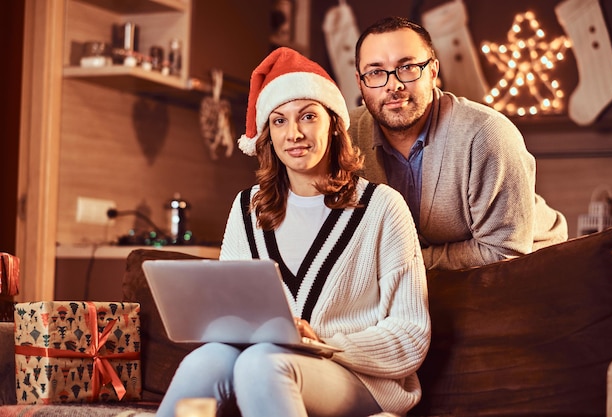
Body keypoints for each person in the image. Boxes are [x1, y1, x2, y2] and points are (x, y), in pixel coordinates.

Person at [155, 47, 431, 417]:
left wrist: (324, 342)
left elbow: (411, 336)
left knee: (265, 362)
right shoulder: (246, 208)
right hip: (265, 361)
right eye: (280, 121)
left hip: (359, 378)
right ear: (267, 133)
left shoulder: (382, 207)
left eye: (308, 116)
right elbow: (228, 314)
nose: (294, 133)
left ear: (333, 124)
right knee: (207, 360)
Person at [349, 16, 568, 271]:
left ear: (432, 72)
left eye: (407, 67)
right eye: (376, 72)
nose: (393, 85)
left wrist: (401, 264)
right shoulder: (345, 133)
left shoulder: (486, 134)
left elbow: (504, 252)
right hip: (424, 285)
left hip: (528, 274)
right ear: (360, 82)